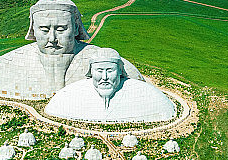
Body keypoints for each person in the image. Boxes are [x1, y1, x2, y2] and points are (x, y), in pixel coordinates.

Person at [0, 0, 142, 100]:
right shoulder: (2, 68)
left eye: (61, 29)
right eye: (44, 30)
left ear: (76, 28)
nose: (52, 39)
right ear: (33, 30)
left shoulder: (102, 58)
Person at [44, 48, 176, 123]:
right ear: (91, 72)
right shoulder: (68, 95)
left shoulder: (149, 95)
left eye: (110, 71)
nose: (105, 77)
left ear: (120, 71)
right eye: (99, 71)